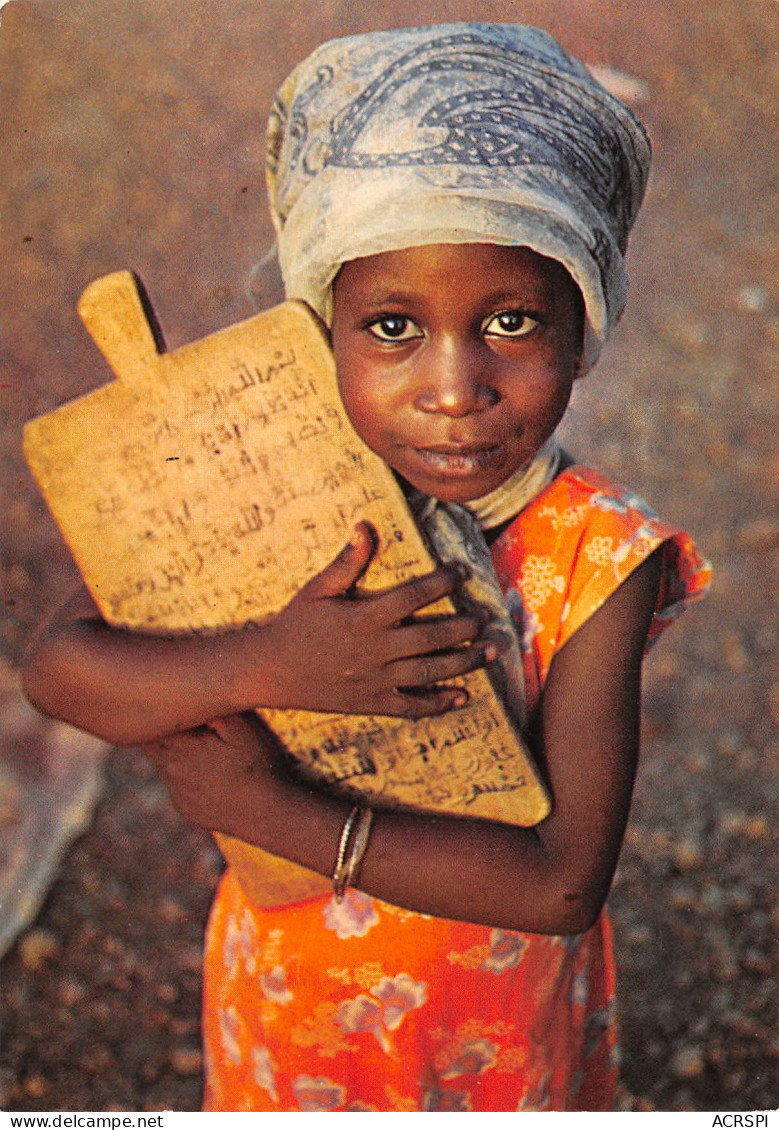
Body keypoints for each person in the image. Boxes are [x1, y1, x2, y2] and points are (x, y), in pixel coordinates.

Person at [22, 23, 711, 1112]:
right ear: (319, 328)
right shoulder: (268, 468)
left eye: (511, 321)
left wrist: (281, 816)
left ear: (582, 330)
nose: (452, 385)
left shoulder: (595, 554)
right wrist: (271, 662)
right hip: (290, 1000)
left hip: (486, 1024)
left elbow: (562, 879)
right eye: (391, 325)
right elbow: (62, 670)